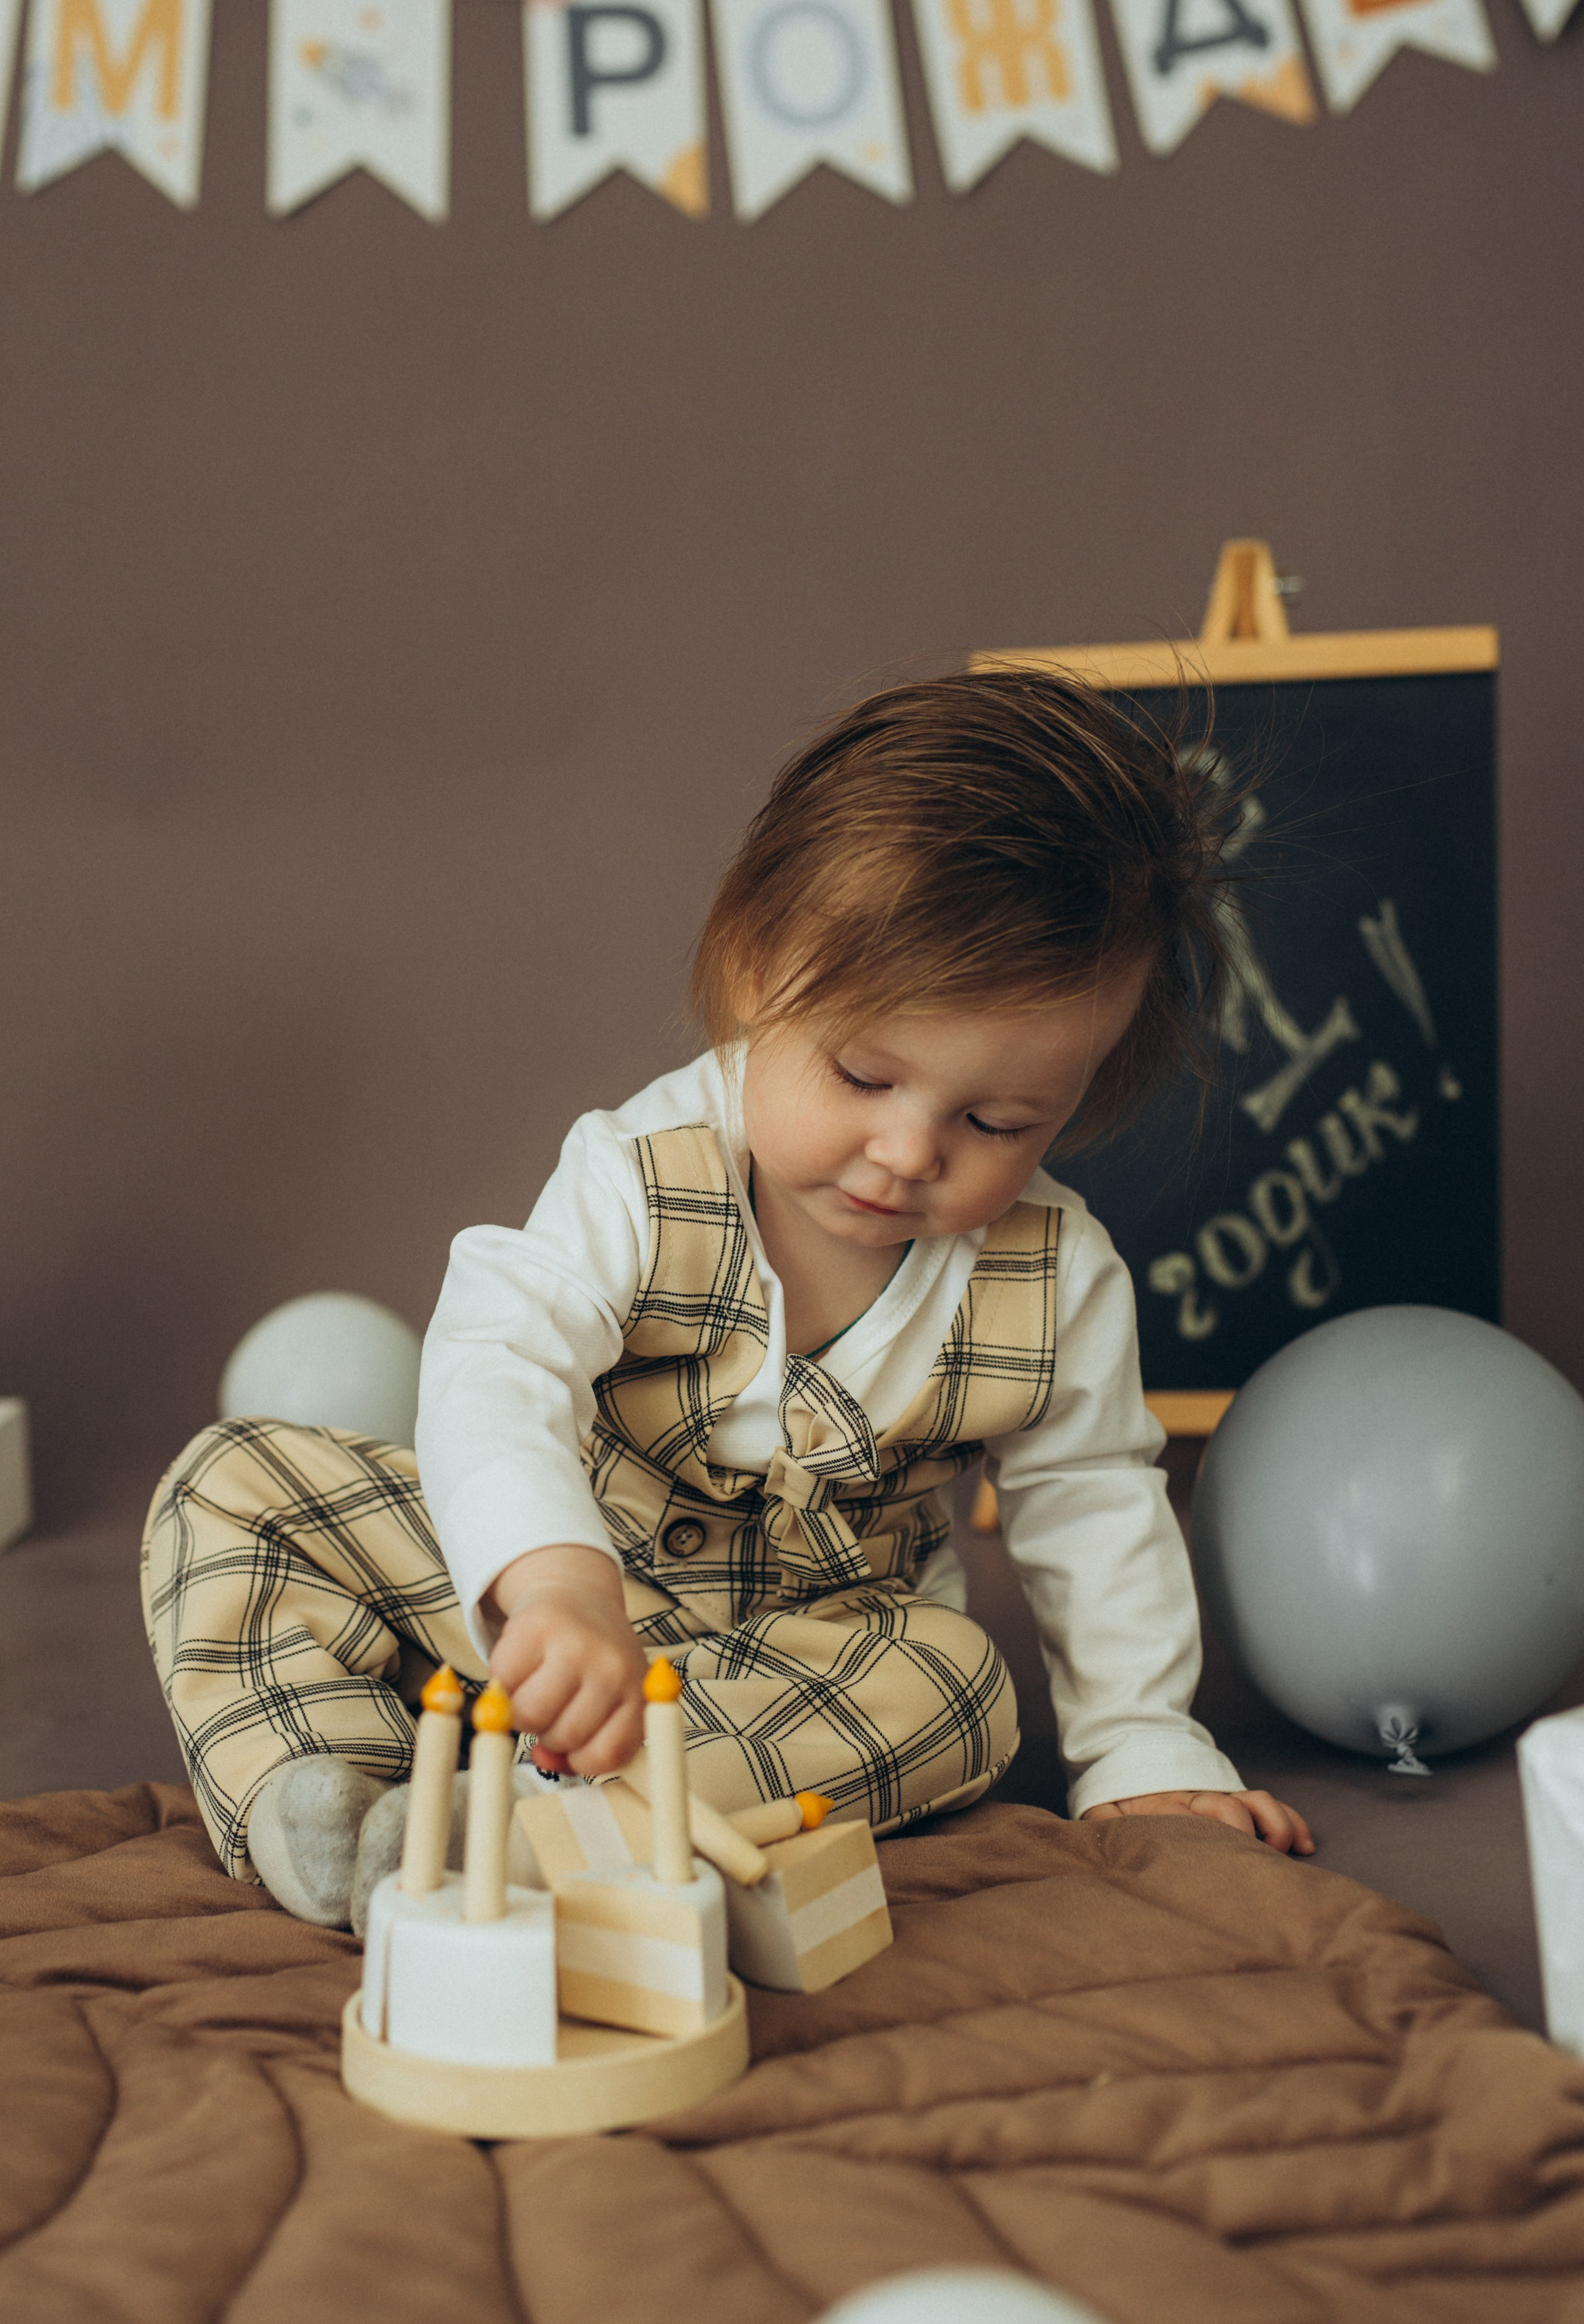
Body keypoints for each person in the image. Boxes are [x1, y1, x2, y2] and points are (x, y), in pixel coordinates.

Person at [141, 668, 1312, 1930]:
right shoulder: (641, 1175)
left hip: (807, 1664)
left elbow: (1092, 1509)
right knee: (233, 1483)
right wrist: (552, 1587)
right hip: (562, 1608)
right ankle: (333, 1799)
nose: (908, 1152)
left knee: (962, 1689)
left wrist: (1142, 1750)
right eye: (864, 1074)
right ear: (758, 973)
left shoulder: (1053, 1278)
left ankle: (528, 1836)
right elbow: (497, 1361)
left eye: (994, 1119)